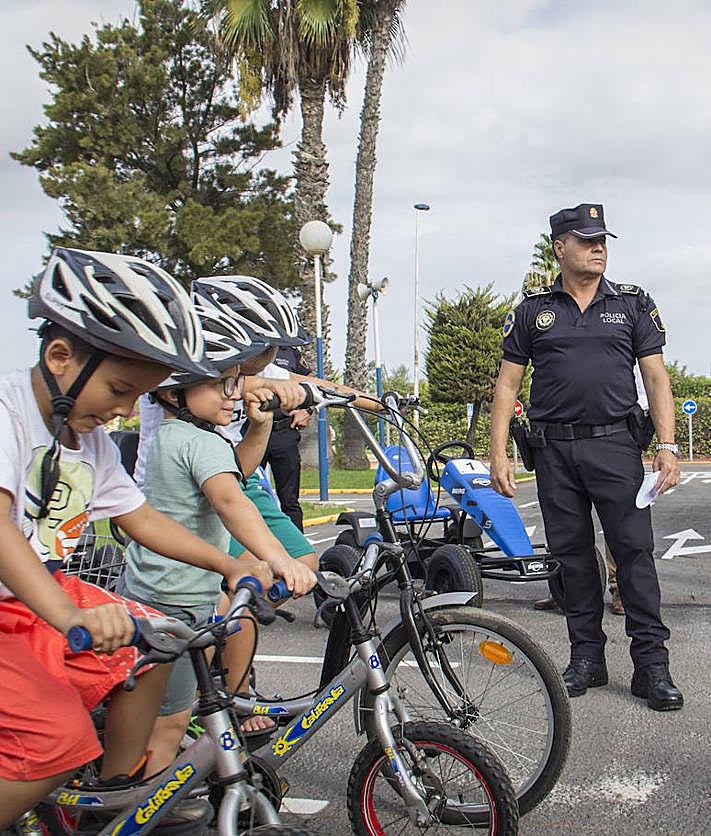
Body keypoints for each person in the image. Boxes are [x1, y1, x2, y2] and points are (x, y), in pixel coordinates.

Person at [0, 249, 276, 829]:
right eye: (120, 389)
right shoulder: (9, 413)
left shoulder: (86, 439)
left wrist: (227, 566)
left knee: (158, 643)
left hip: (37, 597)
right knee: (56, 740)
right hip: (21, 603)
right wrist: (66, 615)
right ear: (60, 356)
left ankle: (116, 796)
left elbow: (141, 518)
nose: (126, 411)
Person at [490, 203, 683, 711]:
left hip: (616, 446)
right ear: (560, 247)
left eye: (602, 240)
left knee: (634, 555)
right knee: (571, 557)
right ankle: (587, 659)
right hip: (553, 451)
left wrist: (667, 446)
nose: (598, 247)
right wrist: (499, 453)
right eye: (587, 239)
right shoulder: (533, 310)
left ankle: (652, 667)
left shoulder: (632, 303)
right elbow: (507, 384)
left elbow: (656, 377)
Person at [120, 285, 316, 775]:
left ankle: (154, 784)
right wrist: (278, 559)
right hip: (171, 602)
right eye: (223, 384)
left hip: (174, 594)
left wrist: (261, 426)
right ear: (175, 391)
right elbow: (232, 502)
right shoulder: (197, 443)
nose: (235, 394)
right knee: (166, 723)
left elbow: (237, 473)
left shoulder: (184, 436)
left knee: (168, 711)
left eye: (235, 383)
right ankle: (149, 800)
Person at [259, 345, 313, 531]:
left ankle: (297, 545)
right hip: (252, 431)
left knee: (290, 500)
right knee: (249, 493)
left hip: (283, 431)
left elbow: (312, 385)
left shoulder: (289, 351)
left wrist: (307, 410)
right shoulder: (250, 347)